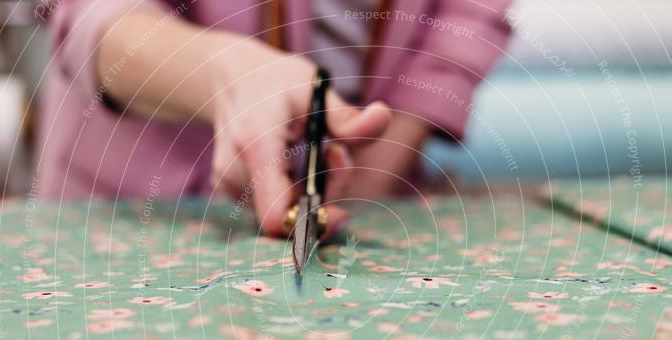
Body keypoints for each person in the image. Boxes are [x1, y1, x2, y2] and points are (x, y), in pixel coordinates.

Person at [36, 0, 511, 236]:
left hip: (371, 206)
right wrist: (224, 75)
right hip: (134, 216)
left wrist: (380, 159)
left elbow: (465, 19)